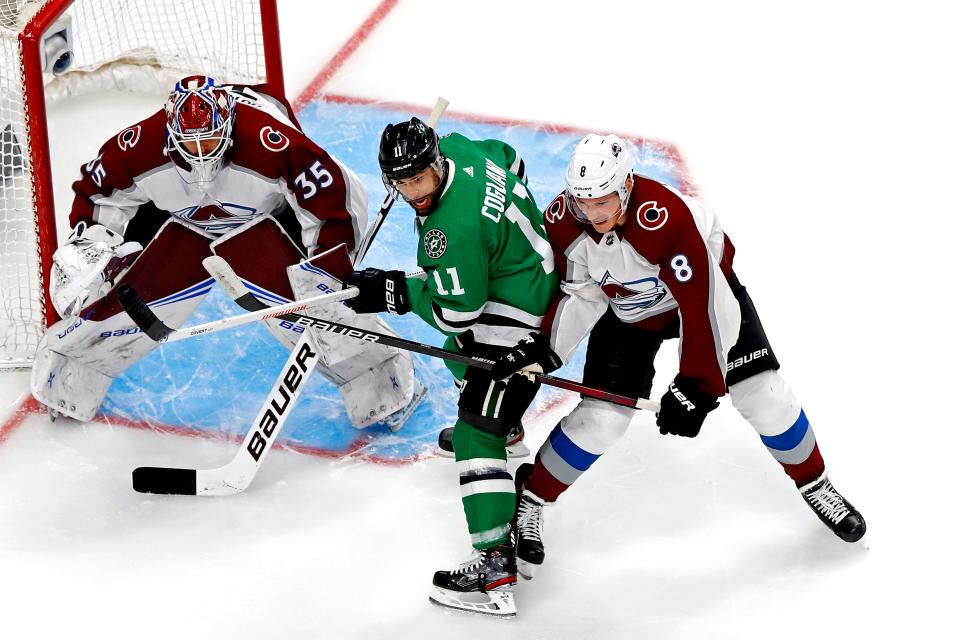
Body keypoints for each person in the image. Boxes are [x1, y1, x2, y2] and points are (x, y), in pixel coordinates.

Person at [488, 134, 867, 579]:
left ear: (627, 185)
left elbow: (704, 306)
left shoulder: (666, 220)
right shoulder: (567, 221)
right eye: (582, 202)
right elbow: (580, 292)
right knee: (601, 419)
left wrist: (698, 388)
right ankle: (532, 496)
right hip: (629, 312)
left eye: (603, 202)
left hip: (705, 297)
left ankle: (814, 481)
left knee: (763, 396)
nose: (592, 215)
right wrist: (548, 349)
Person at [31, 75, 423, 431]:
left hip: (268, 220)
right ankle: (69, 376)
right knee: (135, 296)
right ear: (170, 135)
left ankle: (381, 385)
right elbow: (96, 192)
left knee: (315, 302)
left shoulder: (272, 142)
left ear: (229, 128)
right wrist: (95, 246)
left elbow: (336, 194)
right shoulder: (138, 146)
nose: (202, 152)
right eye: (190, 143)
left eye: (210, 140)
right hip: (182, 220)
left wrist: (328, 265)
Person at [343, 117, 559, 617]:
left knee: (472, 433)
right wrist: (501, 240)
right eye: (402, 181)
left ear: (436, 163)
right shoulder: (462, 147)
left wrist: (393, 290)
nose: (414, 191)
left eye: (420, 178)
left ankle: (493, 570)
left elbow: (452, 310)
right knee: (459, 343)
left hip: (518, 320)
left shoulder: (450, 232)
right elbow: (511, 159)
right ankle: (505, 431)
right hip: (531, 271)